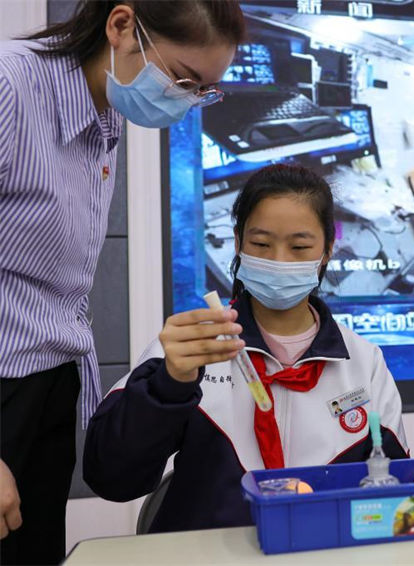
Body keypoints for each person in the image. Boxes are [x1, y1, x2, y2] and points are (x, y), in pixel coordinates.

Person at [0, 2, 243, 563]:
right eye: (183, 79)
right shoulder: (12, 87)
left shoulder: (105, 116)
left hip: (47, 389)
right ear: (121, 26)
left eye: (202, 91)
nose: (184, 103)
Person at [84, 164, 408, 533]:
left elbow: (394, 499)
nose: (279, 260)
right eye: (261, 244)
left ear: (327, 250)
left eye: (300, 246)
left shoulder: (363, 362)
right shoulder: (191, 347)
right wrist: (169, 385)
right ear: (238, 243)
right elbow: (111, 479)